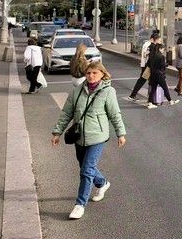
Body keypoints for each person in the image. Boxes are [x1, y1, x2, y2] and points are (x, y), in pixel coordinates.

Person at [50, 62, 126, 220]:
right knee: (85, 167)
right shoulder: (77, 91)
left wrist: (121, 133)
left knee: (86, 170)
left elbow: (115, 114)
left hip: (97, 137)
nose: (91, 76)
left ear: (102, 74)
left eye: (95, 73)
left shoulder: (108, 91)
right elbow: (66, 113)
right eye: (88, 73)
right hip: (79, 137)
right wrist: (57, 132)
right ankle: (102, 183)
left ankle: (80, 205)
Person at [127, 30, 159, 101]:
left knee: (146, 80)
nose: (157, 42)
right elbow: (146, 55)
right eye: (157, 40)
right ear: (153, 39)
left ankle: (135, 95)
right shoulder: (149, 45)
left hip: (145, 65)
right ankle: (134, 95)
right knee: (144, 80)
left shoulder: (146, 44)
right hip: (147, 65)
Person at [146, 43, 178, 108]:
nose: (163, 51)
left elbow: (148, 64)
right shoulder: (161, 56)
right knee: (165, 88)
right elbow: (162, 66)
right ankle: (170, 101)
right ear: (160, 49)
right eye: (163, 49)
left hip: (153, 74)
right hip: (159, 74)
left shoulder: (151, 55)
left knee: (153, 89)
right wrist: (167, 64)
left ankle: (150, 103)